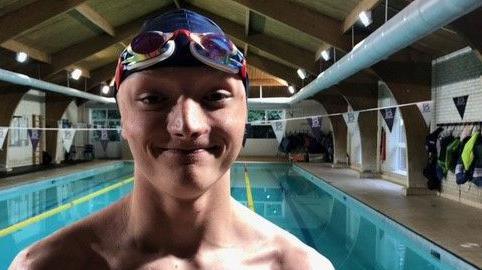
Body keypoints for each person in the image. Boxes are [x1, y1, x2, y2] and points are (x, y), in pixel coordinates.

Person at [10, 9, 334, 270]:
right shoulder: (47, 265)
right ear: (123, 118)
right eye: (153, 99)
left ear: (245, 115)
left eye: (215, 97)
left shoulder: (298, 266)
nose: (187, 125)